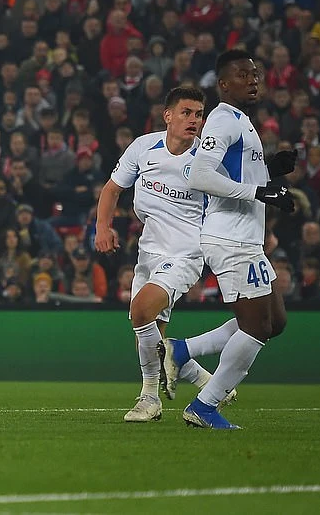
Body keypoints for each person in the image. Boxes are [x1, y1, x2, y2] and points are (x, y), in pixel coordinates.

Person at [169, 50, 297, 429]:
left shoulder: (241, 121)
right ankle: (204, 405)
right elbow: (201, 175)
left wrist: (269, 170)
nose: (253, 80)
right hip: (231, 238)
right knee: (256, 328)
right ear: (224, 84)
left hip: (245, 239)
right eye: (243, 75)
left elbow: (235, 174)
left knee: (274, 321)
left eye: (255, 74)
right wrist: (259, 192)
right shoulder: (223, 120)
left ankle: (181, 350)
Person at [95, 86, 228, 422]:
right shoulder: (144, 147)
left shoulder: (208, 160)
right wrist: (102, 227)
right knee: (149, 328)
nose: (194, 120)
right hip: (149, 250)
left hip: (186, 253)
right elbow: (112, 189)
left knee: (141, 310)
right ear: (168, 115)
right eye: (187, 112)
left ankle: (149, 397)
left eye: (199, 114)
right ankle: (195, 376)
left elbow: (234, 198)